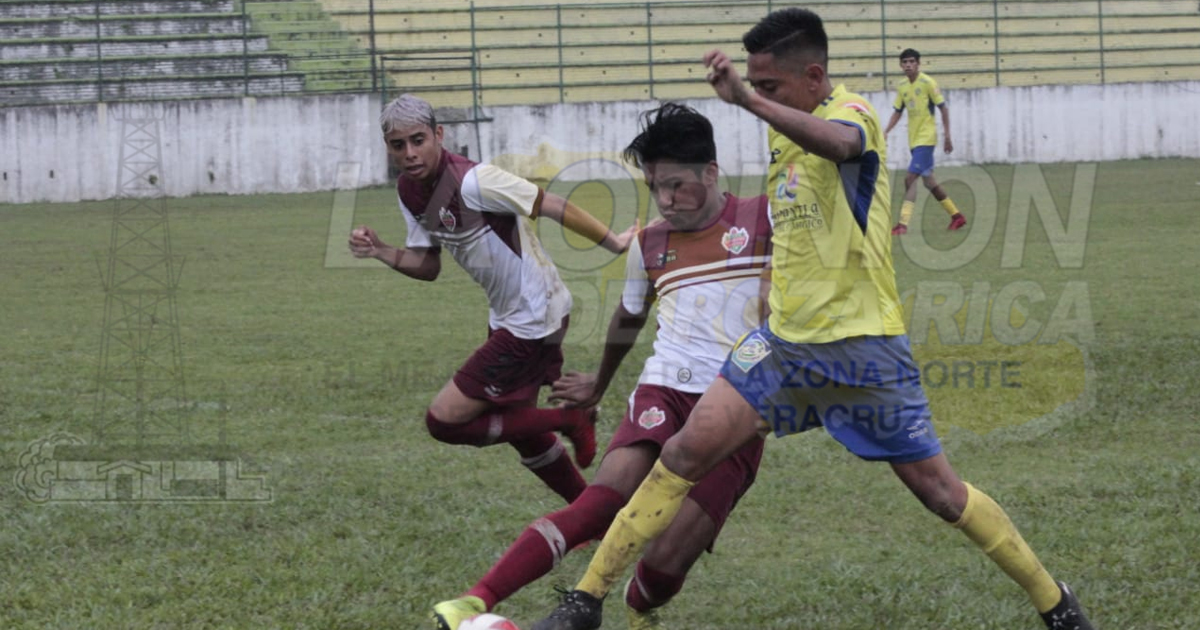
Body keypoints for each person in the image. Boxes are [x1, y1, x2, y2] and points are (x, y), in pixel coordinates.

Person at [533, 9, 1094, 630]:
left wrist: (747, 101)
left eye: (770, 86)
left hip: (862, 349)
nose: (761, 97)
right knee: (684, 451)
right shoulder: (781, 130)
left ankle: (1055, 602)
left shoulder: (851, 116)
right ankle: (585, 601)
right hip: (780, 346)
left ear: (813, 76)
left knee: (941, 494)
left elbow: (842, 145)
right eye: (755, 86)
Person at [430, 103, 772, 630]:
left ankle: (639, 607)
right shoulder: (652, 242)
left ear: (711, 172)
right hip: (665, 392)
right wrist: (598, 383)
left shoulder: (765, 220)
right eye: (655, 186)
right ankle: (476, 600)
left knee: (663, 567)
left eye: (677, 185)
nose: (665, 200)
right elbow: (629, 316)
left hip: (736, 407)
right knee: (600, 502)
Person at [349, 94, 637, 505]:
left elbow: (550, 204)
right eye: (399, 145)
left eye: (418, 140)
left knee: (443, 420)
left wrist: (614, 243)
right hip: (511, 315)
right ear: (388, 148)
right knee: (522, 430)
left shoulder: (474, 181)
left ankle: (572, 419)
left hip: (534, 317)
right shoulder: (409, 191)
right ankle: (592, 514)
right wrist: (380, 250)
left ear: (439, 135)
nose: (410, 154)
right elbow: (428, 265)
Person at [884, 48, 966, 235]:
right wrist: (886, 130)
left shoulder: (928, 83)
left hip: (927, 139)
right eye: (905, 62)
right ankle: (956, 216)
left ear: (918, 64)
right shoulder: (903, 86)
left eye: (912, 62)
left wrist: (947, 136)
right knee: (930, 183)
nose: (908, 65)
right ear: (901, 65)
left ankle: (902, 224)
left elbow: (943, 108)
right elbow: (898, 111)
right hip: (914, 141)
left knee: (909, 178)